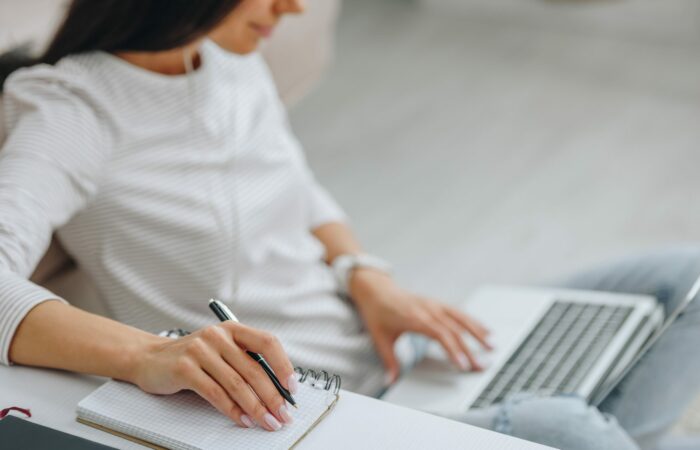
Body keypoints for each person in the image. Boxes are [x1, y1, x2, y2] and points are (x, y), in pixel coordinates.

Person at [0, 1, 697, 448]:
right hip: (328, 412)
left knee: (687, 273)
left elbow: (300, 191)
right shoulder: (72, 111)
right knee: (572, 428)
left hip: (400, 354)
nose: (291, 6)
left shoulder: (225, 58)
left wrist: (364, 275)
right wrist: (151, 355)